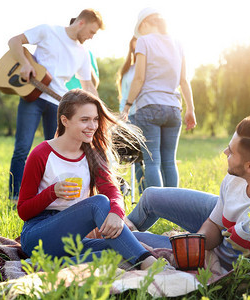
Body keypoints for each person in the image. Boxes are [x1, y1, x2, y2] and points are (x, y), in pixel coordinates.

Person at [124, 116, 250, 271]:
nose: (225, 152)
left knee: (128, 241)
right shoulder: (237, 177)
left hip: (225, 257)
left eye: (232, 152)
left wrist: (194, 257)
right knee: (150, 196)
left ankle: (114, 237)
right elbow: (214, 222)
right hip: (224, 230)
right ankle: (119, 227)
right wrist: (196, 243)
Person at [17, 89, 161, 270]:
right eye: (84, 120)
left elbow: (112, 191)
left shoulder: (92, 153)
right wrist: (52, 192)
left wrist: (117, 212)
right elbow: (23, 210)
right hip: (38, 236)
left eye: (95, 119)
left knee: (124, 248)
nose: (92, 125)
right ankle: (147, 263)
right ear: (65, 121)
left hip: (74, 239)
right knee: (98, 203)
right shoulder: (41, 154)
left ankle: (51, 266)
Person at [8, 9, 103, 201]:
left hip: (59, 105)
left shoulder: (82, 53)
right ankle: (15, 197)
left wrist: (100, 110)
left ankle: (50, 196)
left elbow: (88, 85)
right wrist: (25, 63)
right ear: (81, 23)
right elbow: (14, 41)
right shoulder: (47, 31)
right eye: (92, 32)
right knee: (22, 148)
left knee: (57, 152)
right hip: (32, 97)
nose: (91, 37)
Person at [121, 7, 196, 189]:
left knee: (152, 162)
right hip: (173, 108)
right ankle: (172, 208)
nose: (141, 34)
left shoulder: (144, 41)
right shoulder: (178, 42)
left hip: (149, 107)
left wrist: (127, 107)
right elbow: (184, 80)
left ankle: (156, 209)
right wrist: (191, 109)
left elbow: (139, 79)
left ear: (145, 23)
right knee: (169, 162)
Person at [117, 36, 145, 195]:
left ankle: (143, 190)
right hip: (127, 116)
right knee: (132, 155)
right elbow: (124, 95)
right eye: (135, 48)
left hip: (142, 114)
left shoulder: (146, 69)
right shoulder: (127, 69)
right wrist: (122, 115)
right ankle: (132, 189)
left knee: (143, 157)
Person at [66, 19, 100, 91]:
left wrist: (85, 63)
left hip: (79, 98)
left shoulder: (87, 54)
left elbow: (93, 85)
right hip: (58, 96)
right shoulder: (61, 49)